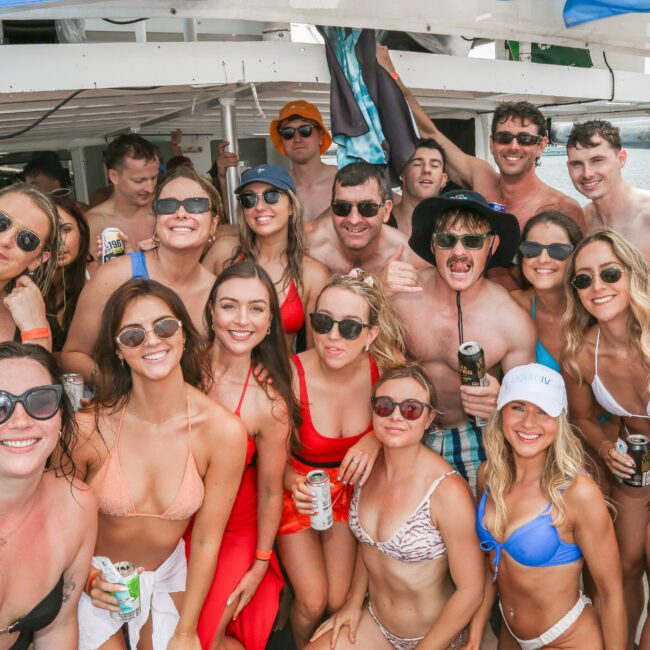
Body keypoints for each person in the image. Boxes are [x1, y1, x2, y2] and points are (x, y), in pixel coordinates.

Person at [72, 278, 247, 650]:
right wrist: (88, 579)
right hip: (91, 578)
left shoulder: (223, 432)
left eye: (164, 327)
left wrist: (186, 631)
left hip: (165, 577)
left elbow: (204, 540)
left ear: (183, 336)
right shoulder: (90, 427)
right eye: (133, 335)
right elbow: (56, 526)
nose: (152, 341)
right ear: (118, 350)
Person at [310, 364, 483, 650]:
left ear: (428, 418)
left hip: (435, 638)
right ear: (373, 410)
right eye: (385, 406)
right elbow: (370, 547)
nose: (396, 417)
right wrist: (353, 604)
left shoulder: (447, 491)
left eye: (411, 409)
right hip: (376, 624)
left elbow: (471, 590)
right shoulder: (367, 470)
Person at [278, 272, 407, 648]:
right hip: (299, 491)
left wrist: (374, 438)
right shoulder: (288, 374)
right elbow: (270, 458)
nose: (333, 336)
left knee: (337, 599)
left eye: (350, 328)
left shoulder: (386, 371)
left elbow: (415, 420)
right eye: (323, 322)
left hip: (351, 494)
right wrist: (293, 484)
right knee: (313, 600)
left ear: (371, 334)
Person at [468, 363, 626, 650]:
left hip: (568, 639)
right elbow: (490, 567)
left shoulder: (578, 493)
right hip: (511, 634)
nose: (529, 423)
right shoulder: (488, 474)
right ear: (501, 412)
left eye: (543, 411)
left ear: (559, 421)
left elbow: (610, 593)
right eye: (518, 407)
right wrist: (476, 635)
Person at [389, 190, 536, 493]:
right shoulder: (402, 297)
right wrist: (372, 283)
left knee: (475, 530)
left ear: (492, 245)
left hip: (477, 437)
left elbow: (529, 407)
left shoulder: (512, 321)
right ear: (432, 245)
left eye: (472, 241)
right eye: (447, 241)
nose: (459, 252)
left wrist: (504, 401)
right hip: (405, 428)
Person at [186, 261, 295, 650]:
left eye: (256, 308)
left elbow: (269, 490)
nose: (242, 320)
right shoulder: (179, 367)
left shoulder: (270, 402)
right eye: (230, 306)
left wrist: (262, 561)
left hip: (234, 531)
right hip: (174, 522)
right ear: (211, 312)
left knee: (204, 635)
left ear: (269, 323)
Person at [375, 45, 585, 232]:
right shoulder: (482, 177)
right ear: (492, 144)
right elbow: (430, 132)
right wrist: (391, 74)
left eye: (525, 139)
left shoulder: (562, 207)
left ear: (541, 146)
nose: (513, 146)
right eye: (504, 138)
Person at [562, 228, 650, 649]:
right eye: (583, 279)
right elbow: (580, 417)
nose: (597, 286)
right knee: (625, 564)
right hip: (636, 464)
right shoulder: (581, 351)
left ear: (632, 274)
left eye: (609, 273)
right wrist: (604, 449)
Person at [61, 166, 220, 384]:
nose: (181, 213)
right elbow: (72, 355)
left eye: (196, 205)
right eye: (167, 206)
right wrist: (120, 391)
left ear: (213, 224)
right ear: (156, 219)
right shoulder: (116, 275)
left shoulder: (218, 292)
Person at [0, 342, 97, 649]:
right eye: (0, 405)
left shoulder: (76, 504)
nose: (20, 421)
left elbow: (58, 627)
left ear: (60, 419)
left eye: (40, 402)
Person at [202, 164, 330, 348]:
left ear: (292, 206)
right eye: (249, 199)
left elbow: (314, 353)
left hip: (282, 375)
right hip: (223, 373)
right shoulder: (223, 253)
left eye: (272, 196)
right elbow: (197, 321)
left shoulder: (313, 274)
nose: (260, 207)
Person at [216, 100, 336, 222]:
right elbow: (241, 222)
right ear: (282, 141)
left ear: (321, 136)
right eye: (287, 132)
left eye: (305, 130)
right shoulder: (275, 186)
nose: (297, 138)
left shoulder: (343, 180)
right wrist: (223, 177)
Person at [306, 161, 426, 275]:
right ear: (332, 209)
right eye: (342, 208)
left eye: (367, 208)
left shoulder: (410, 259)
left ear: (386, 211)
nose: (354, 220)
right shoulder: (307, 245)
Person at [511, 211, 583, 373]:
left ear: (577, 256)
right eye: (531, 249)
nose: (543, 259)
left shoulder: (593, 306)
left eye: (558, 250)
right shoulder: (513, 306)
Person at [566, 119, 650, 259]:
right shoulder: (579, 223)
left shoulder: (647, 215)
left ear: (621, 159)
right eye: (577, 164)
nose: (587, 173)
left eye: (597, 160)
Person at [0, 183, 62, 352]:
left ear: (38, 260)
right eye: (1, 222)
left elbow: (40, 378)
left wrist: (34, 329)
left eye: (27, 239)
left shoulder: (30, 315)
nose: (5, 240)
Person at [86, 134, 160, 256]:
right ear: (114, 176)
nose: (150, 188)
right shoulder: (92, 223)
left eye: (154, 178)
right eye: (139, 181)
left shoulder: (167, 213)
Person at [44, 196, 91, 353]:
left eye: (66, 230)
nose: (58, 242)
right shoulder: (21, 286)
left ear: (81, 232)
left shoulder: (98, 276)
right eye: (48, 232)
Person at [390, 138, 448, 237]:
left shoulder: (452, 227)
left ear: (443, 179)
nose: (426, 170)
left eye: (434, 165)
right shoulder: (380, 220)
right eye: (417, 164)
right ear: (402, 175)